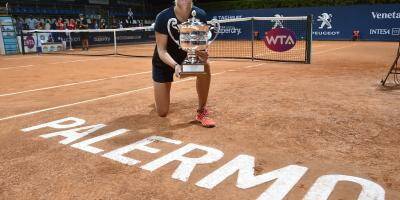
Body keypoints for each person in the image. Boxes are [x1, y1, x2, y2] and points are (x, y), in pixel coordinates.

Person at [152, 0, 215, 128]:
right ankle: (163, 90)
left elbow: (197, 46)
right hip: (164, 63)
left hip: (185, 61)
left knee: (205, 66)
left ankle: (201, 111)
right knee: (162, 112)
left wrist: (202, 53)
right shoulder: (163, 17)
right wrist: (175, 66)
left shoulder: (200, 15)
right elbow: (161, 50)